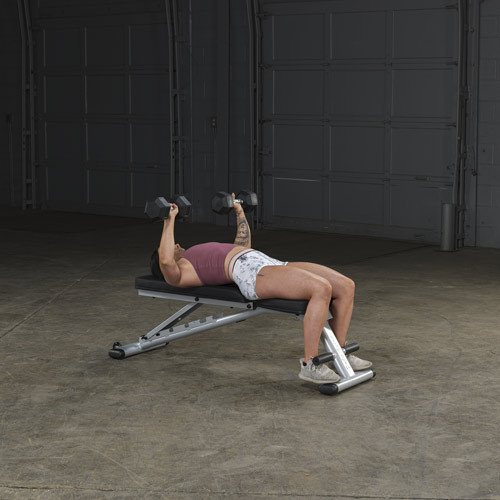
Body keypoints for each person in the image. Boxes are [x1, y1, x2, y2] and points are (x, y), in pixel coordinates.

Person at [152, 194, 372, 384]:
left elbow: (242, 246)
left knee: (345, 285)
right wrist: (169, 220)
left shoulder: (193, 254)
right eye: (171, 247)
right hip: (252, 275)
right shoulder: (179, 274)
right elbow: (165, 260)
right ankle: (310, 364)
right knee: (321, 288)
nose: (176, 245)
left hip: (266, 262)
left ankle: (339, 354)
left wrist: (239, 212)